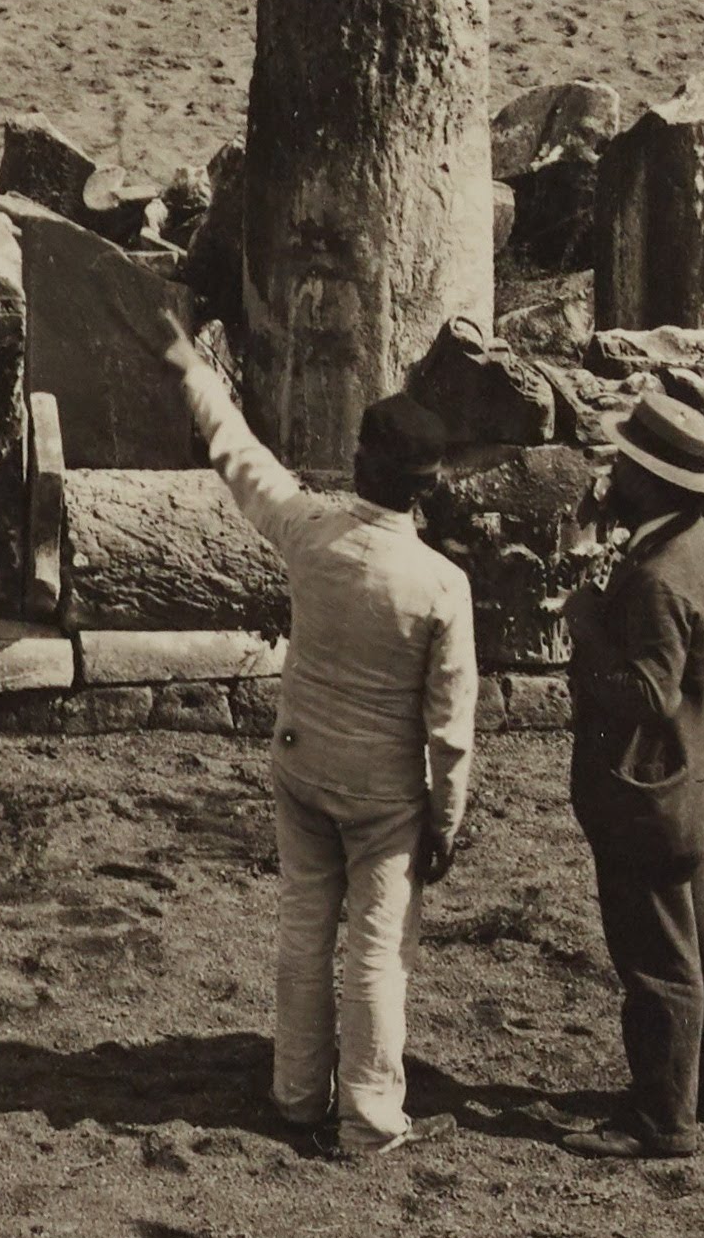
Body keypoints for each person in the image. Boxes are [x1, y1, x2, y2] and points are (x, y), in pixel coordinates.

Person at [165, 314, 478, 1165]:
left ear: (358, 463)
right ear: (427, 485)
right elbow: (448, 728)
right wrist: (445, 820)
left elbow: (242, 460)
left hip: (301, 764)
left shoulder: (310, 533)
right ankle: (368, 1114)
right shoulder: (440, 584)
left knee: (304, 929)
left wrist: (194, 372)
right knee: (377, 952)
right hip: (385, 793)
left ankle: (297, 1091)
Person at [566, 392, 704, 1161]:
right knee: (702, 942)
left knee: (656, 960)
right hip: (695, 783)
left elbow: (645, 691)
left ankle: (660, 1118)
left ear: (652, 482)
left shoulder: (657, 575)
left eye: (624, 467)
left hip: (647, 793)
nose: (611, 475)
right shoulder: (703, 542)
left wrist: (584, 627)